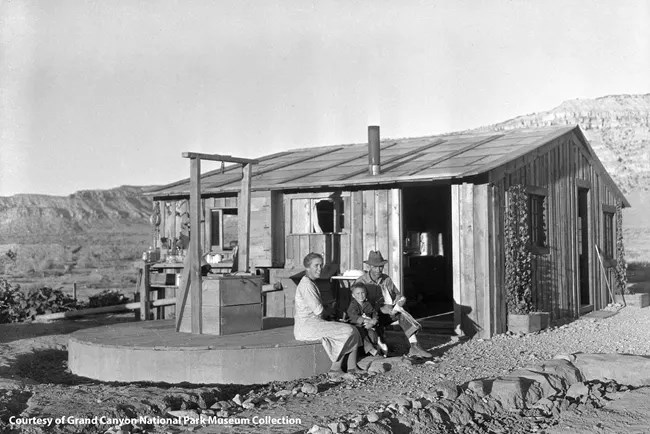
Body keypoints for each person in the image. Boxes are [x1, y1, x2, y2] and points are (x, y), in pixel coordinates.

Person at [294, 252, 362, 377]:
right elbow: (319, 311)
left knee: (355, 330)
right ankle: (335, 369)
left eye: (321, 265)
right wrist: (330, 310)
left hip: (315, 323)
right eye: (316, 266)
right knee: (346, 330)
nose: (320, 269)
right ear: (307, 267)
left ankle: (352, 367)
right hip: (306, 327)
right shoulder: (306, 285)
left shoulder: (312, 282)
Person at [355, 250, 432, 358]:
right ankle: (377, 348)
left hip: (385, 314)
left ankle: (415, 346)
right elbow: (358, 305)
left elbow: (397, 295)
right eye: (375, 267)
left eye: (381, 267)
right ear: (370, 266)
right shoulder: (361, 282)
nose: (378, 270)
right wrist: (381, 309)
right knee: (377, 341)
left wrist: (400, 301)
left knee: (402, 313)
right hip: (368, 317)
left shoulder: (386, 279)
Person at [347, 283, 389, 357]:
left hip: (369, 325)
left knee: (373, 333)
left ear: (366, 293)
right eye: (358, 293)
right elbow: (354, 317)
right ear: (353, 295)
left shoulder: (367, 304)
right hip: (358, 325)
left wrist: (374, 319)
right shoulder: (353, 305)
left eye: (363, 293)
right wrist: (368, 321)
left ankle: (378, 347)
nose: (361, 295)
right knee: (362, 332)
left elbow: (374, 313)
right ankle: (370, 349)